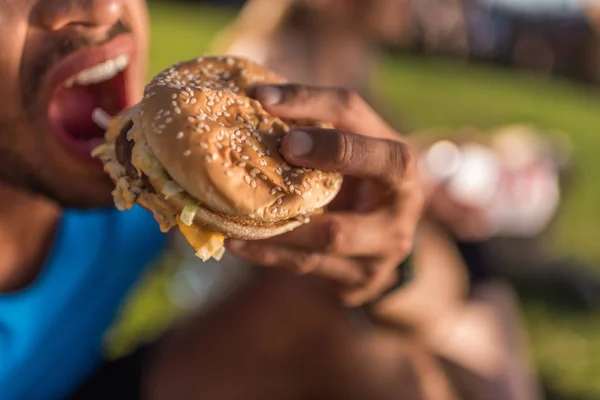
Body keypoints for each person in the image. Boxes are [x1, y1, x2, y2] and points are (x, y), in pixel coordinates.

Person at [0, 1, 428, 399]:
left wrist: (388, 262)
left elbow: (436, 293)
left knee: (340, 336)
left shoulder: (145, 180)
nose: (103, 7)